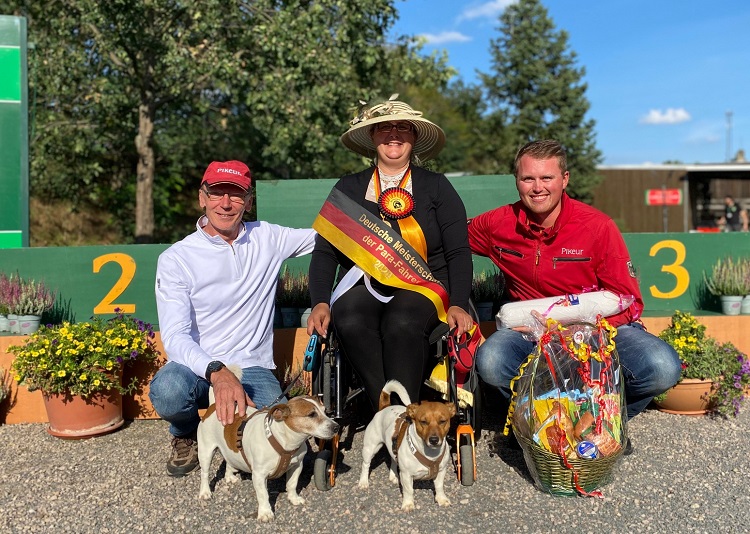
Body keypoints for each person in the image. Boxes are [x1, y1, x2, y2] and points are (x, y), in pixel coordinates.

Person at [468, 140, 681, 443]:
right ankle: (536, 425)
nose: (537, 187)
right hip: (529, 330)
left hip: (599, 330)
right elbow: (450, 242)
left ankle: (605, 422)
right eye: (528, 178)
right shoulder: (497, 223)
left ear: (564, 180)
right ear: (517, 180)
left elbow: (627, 301)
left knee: (661, 368)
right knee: (490, 362)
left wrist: (581, 332)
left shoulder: (597, 226)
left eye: (547, 178)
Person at [149, 160, 316, 477]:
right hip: (197, 367)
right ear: (202, 197)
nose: (225, 204)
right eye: (217, 193)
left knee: (276, 431)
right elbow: (175, 338)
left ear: (249, 202)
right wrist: (216, 371)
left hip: (251, 365)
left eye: (236, 195)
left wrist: (381, 224)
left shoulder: (268, 237)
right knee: (168, 391)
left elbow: (328, 238)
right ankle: (186, 433)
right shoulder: (176, 258)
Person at [306, 96, 474, 410]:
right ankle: (389, 411)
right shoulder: (348, 187)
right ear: (372, 137)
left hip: (424, 288)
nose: (393, 134)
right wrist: (319, 301)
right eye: (384, 127)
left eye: (402, 128)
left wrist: (460, 304)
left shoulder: (437, 187)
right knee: (351, 319)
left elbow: (459, 252)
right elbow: (325, 252)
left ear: (414, 137)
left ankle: (401, 410)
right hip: (361, 284)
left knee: (402, 322)